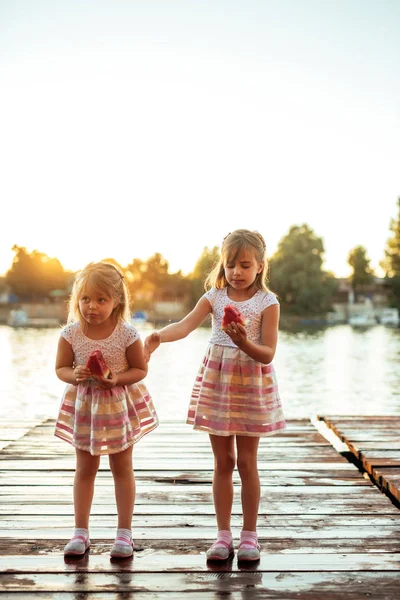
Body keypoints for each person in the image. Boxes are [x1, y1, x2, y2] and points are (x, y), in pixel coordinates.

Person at [144, 229, 285, 563]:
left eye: (245, 265)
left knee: (248, 462)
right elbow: (184, 325)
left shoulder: (268, 303)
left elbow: (266, 353)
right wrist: (157, 337)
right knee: (224, 462)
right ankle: (223, 537)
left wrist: (243, 343)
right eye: (230, 264)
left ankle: (249, 537)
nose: (236, 271)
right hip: (218, 383)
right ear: (223, 265)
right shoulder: (214, 297)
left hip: (251, 383)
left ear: (260, 266)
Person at [55, 262, 158, 559]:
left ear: (117, 302)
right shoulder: (71, 333)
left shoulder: (127, 334)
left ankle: (124, 533)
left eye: (101, 300)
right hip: (85, 406)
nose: (92, 306)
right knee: (85, 468)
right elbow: (60, 367)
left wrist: (116, 378)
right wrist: (71, 374)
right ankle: (80, 532)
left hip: (116, 404)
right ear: (77, 300)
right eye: (85, 299)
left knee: (122, 467)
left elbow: (139, 369)